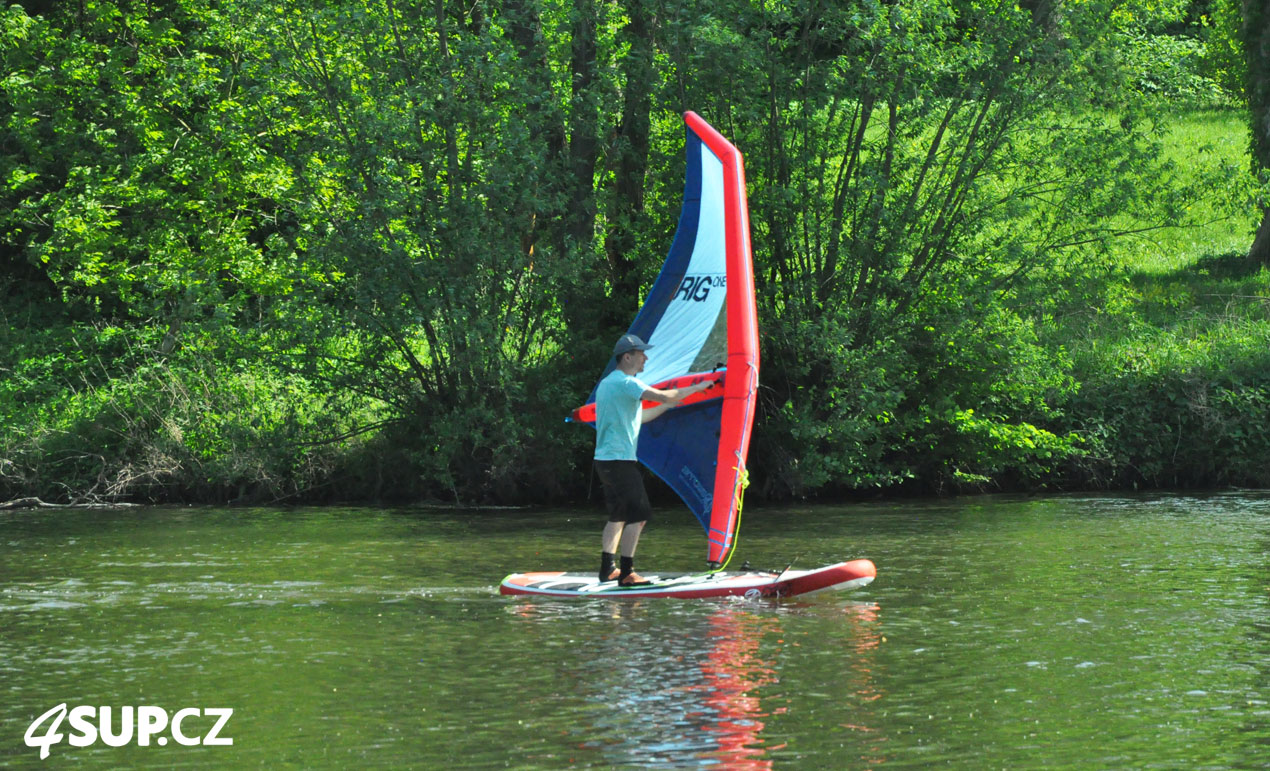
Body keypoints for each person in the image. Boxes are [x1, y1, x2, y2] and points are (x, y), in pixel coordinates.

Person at [594, 333, 715, 585]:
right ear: (627, 357)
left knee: (618, 514)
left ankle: (607, 569)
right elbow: (664, 395)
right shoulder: (628, 384)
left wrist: (668, 406)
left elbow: (640, 418)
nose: (645, 358)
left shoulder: (608, 384)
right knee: (639, 515)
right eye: (641, 354)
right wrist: (700, 387)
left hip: (605, 461)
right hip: (619, 461)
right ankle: (627, 573)